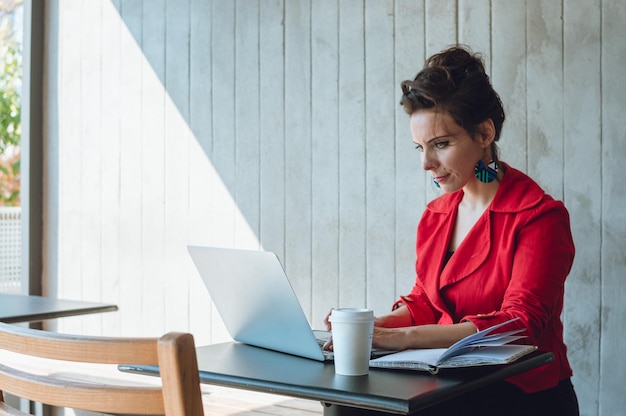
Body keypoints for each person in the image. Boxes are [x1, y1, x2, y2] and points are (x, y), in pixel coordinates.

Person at [324, 45, 579, 415]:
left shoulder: (539, 216)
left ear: (484, 133)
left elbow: (519, 325)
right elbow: (425, 302)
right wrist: (368, 328)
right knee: (345, 401)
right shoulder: (437, 214)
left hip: (520, 393)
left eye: (441, 144)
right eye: (419, 148)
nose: (426, 163)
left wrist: (398, 339)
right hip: (449, 381)